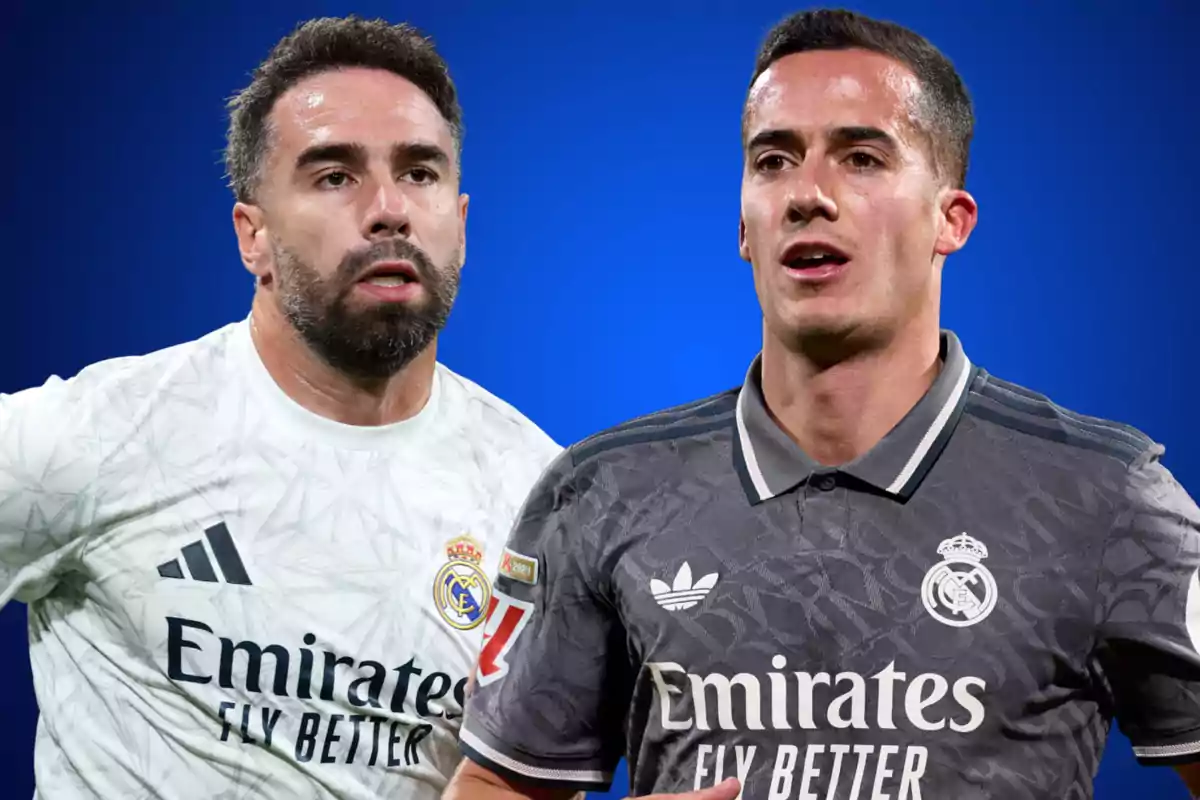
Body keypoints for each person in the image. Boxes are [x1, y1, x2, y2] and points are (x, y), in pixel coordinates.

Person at [445, 8, 1200, 800]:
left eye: (862, 157)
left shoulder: (1105, 497)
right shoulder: (600, 492)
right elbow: (495, 786)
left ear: (952, 219)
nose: (808, 193)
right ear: (744, 225)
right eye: (773, 160)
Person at [0, 15, 560, 800]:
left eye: (421, 173)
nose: (388, 208)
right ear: (251, 235)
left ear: (460, 225)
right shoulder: (101, 437)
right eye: (335, 175)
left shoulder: (541, 499)